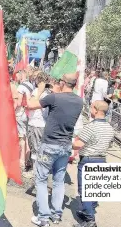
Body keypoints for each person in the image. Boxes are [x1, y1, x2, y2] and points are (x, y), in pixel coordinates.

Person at [27, 73, 83, 227]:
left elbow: (30, 105)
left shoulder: (54, 97)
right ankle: (56, 214)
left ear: (62, 82)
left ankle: (43, 217)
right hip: (65, 145)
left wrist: (39, 89)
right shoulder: (79, 101)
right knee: (59, 181)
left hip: (50, 144)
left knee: (41, 179)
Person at [73, 100, 114, 227]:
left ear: (96, 110)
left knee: (85, 191)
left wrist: (72, 141)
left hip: (88, 160)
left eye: (91, 107)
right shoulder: (110, 128)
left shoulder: (91, 127)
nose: (90, 109)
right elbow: (109, 144)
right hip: (101, 160)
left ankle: (90, 220)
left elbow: (77, 145)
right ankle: (88, 210)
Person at [26, 72, 51, 174]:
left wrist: (37, 94)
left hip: (35, 124)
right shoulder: (49, 93)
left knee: (35, 149)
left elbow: (30, 105)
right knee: (42, 148)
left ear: (38, 81)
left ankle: (36, 170)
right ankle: (42, 169)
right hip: (43, 124)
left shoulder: (37, 91)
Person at [16, 70, 35, 172]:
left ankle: (21, 161)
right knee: (27, 137)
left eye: (18, 74)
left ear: (21, 75)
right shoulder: (31, 85)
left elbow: (18, 102)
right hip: (28, 113)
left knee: (21, 139)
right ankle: (28, 160)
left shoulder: (20, 87)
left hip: (20, 113)